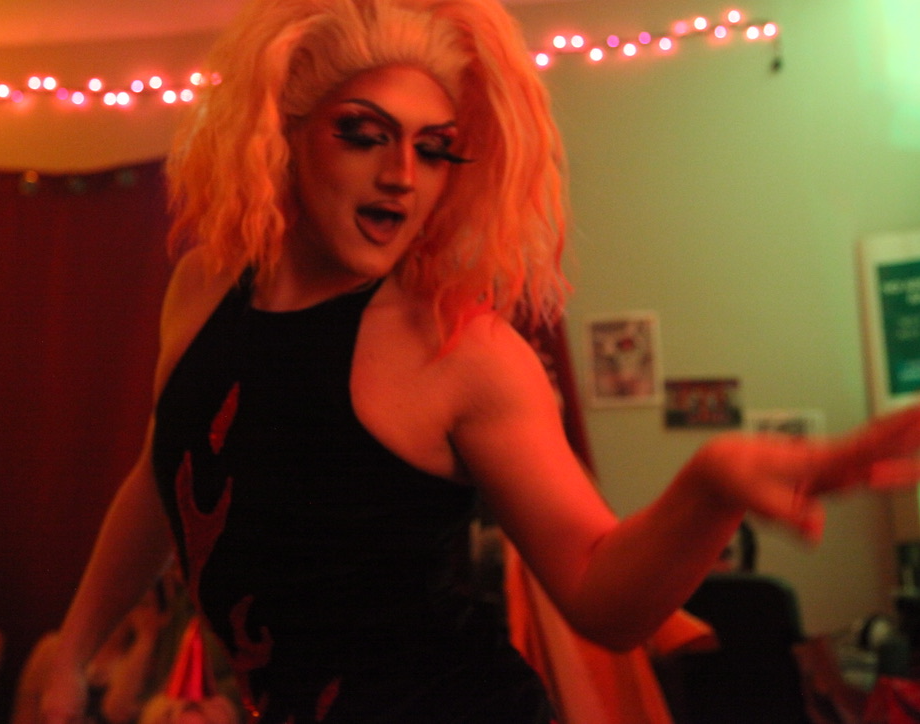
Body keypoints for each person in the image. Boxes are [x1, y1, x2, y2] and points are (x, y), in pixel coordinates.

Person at [37, 0, 920, 721]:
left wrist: (711, 487)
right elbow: (164, 473)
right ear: (287, 135)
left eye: (432, 148)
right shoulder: (203, 285)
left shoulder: (463, 350)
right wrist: (72, 651)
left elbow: (600, 597)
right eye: (364, 133)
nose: (402, 174)